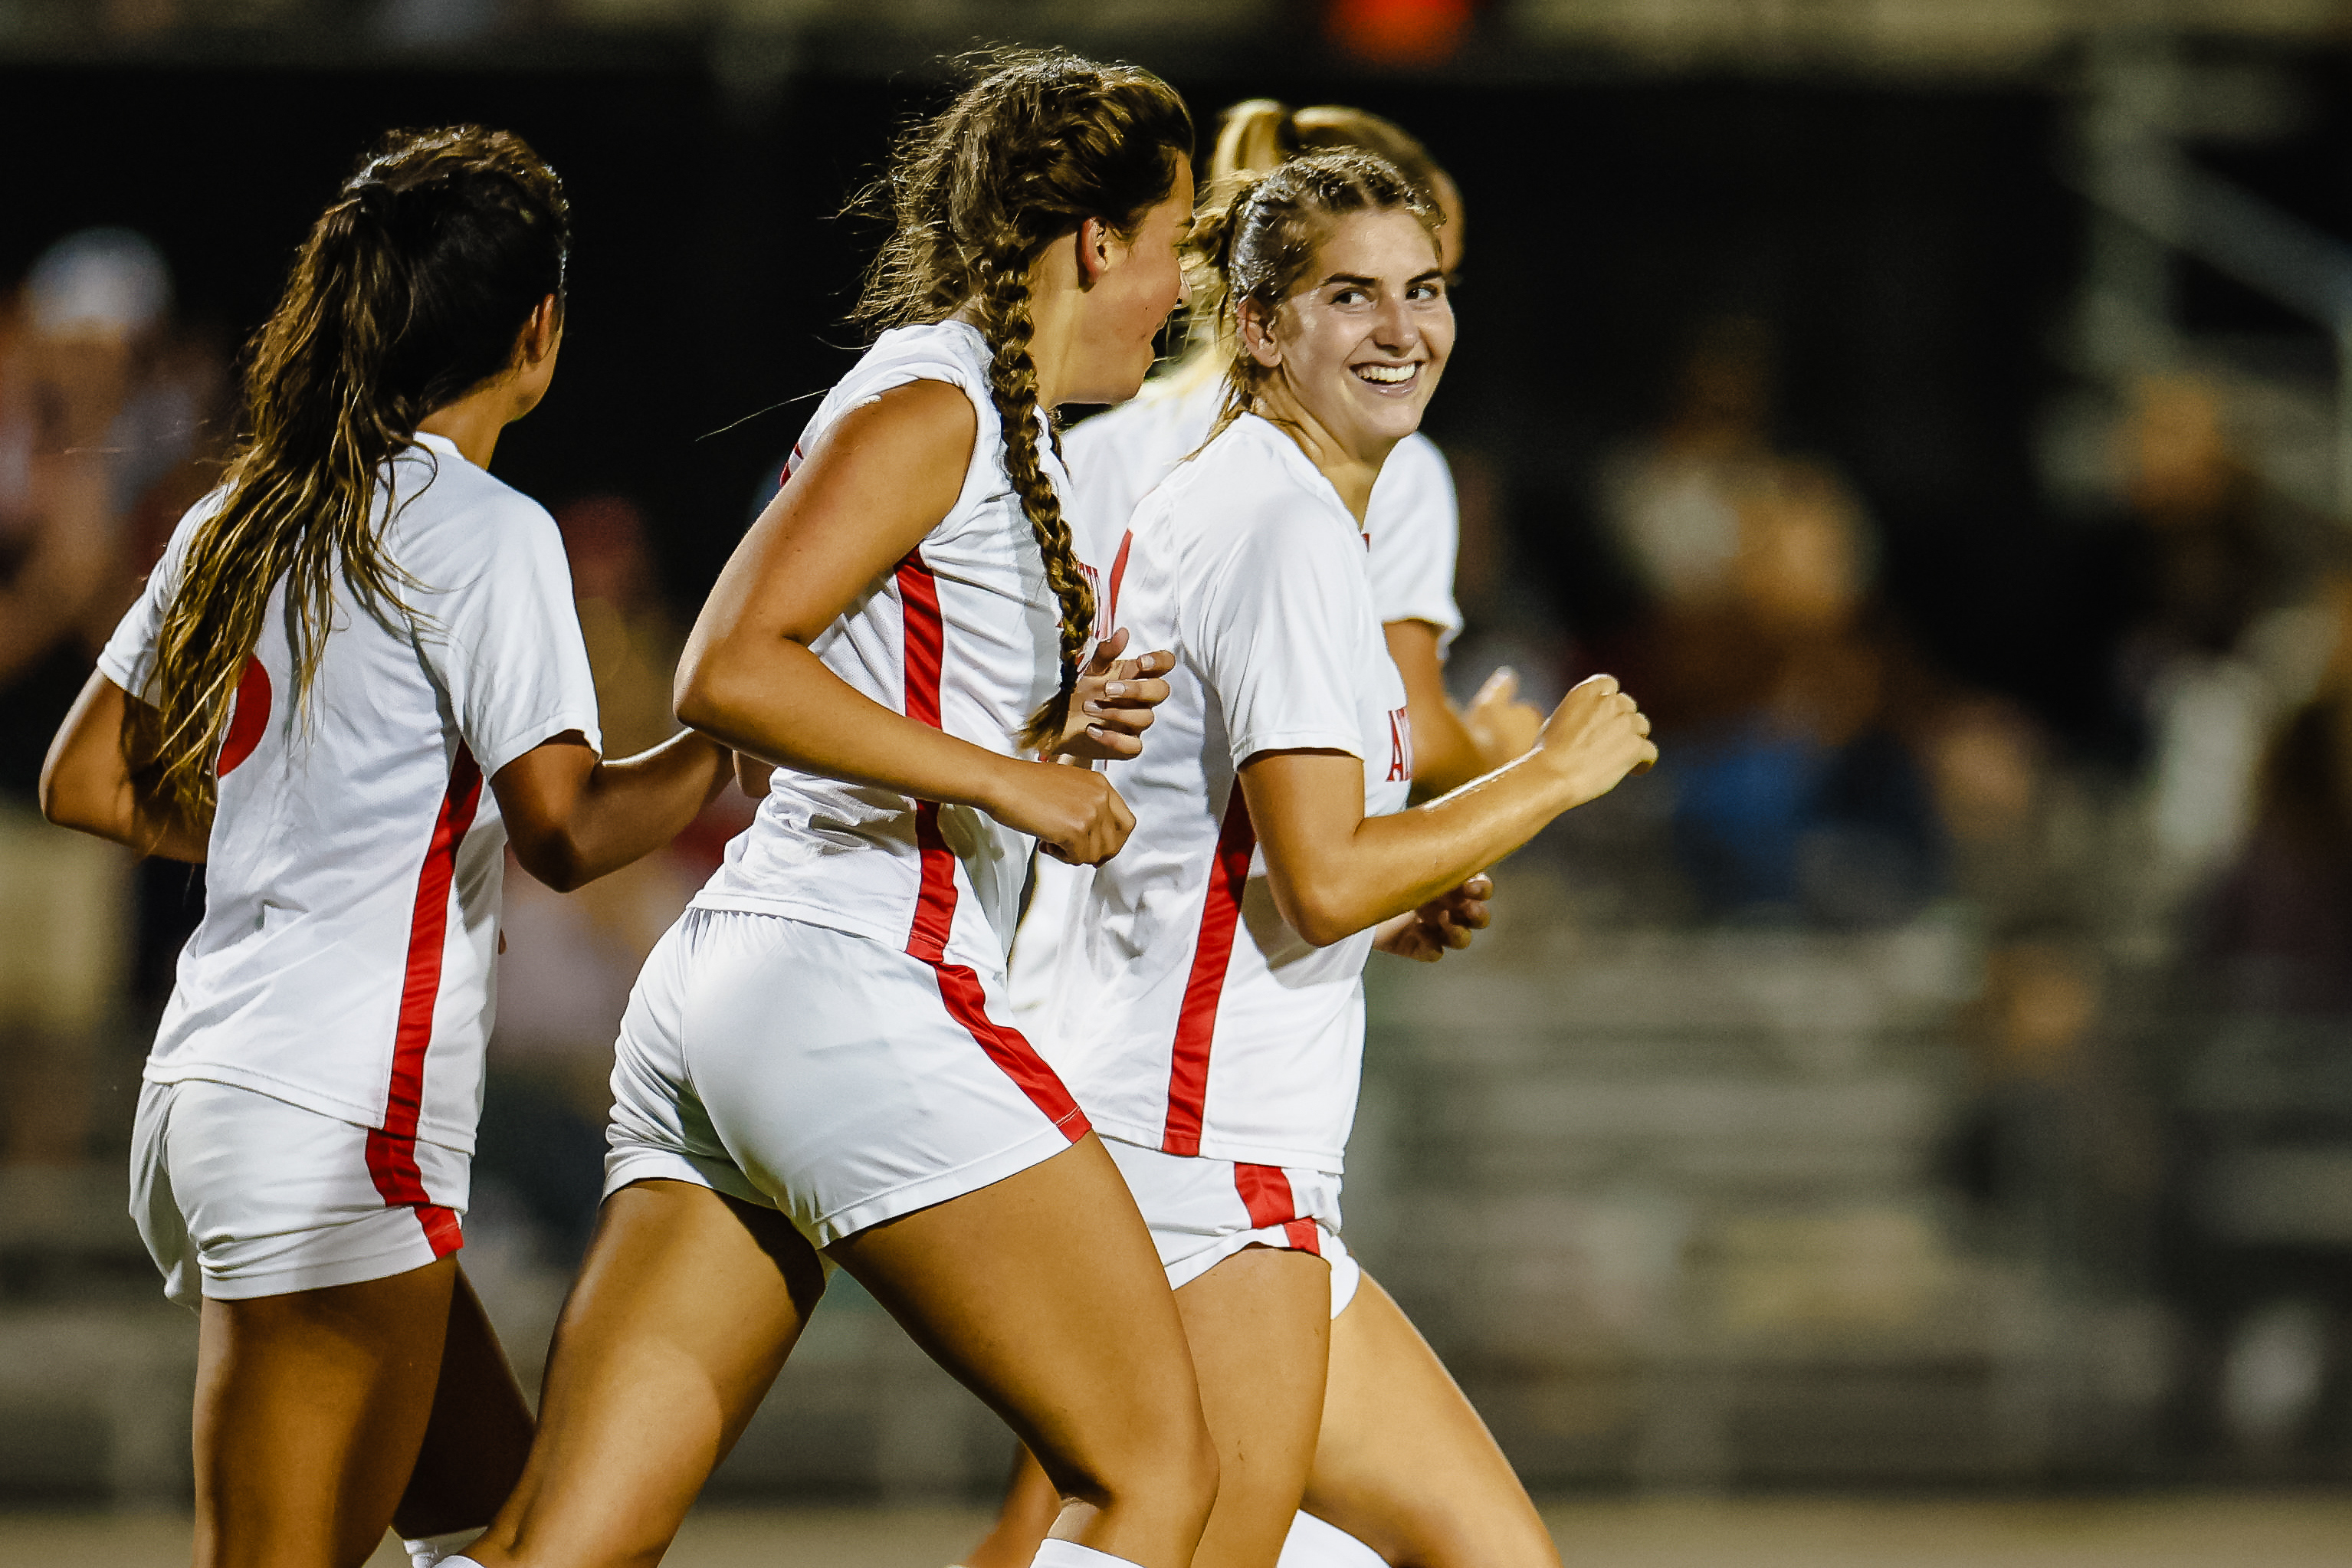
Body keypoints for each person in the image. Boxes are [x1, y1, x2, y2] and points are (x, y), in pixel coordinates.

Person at [448, 51, 1215, 1568]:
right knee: (1152, 1474)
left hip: (749, 990)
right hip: (856, 975)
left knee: (565, 1548)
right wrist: (1013, 779)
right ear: (1094, 240)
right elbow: (728, 666)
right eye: (1174, 240)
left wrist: (1039, 733)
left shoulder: (981, 411)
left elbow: (855, 687)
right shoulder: (936, 401)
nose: (1179, 285)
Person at [36, 127, 736, 1568]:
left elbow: (84, 775)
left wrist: (284, 826)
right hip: (338, 1115)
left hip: (222, 1091)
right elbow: (565, 829)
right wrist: (725, 739)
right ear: (536, 332)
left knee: (521, 1525)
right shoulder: (489, 529)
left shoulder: (244, 510)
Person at [1028, 149, 1653, 1568]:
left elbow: (1241, 854)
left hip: (1210, 1134)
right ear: (1257, 325)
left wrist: (1392, 901)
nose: (1401, 327)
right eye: (1350, 295)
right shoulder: (1284, 530)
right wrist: (1545, 776)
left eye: (1423, 289)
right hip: (1204, 1146)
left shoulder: (1259, 500)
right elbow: (1320, 877)